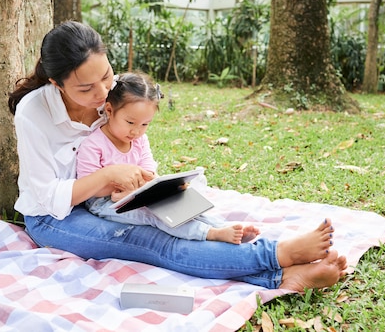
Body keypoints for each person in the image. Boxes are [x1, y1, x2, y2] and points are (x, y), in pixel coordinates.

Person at [8, 20, 348, 291]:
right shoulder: (33, 113)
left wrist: (148, 186)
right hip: (56, 218)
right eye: (86, 89)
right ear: (56, 83)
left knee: (181, 218)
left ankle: (283, 278)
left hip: (117, 200)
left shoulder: (112, 99)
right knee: (153, 241)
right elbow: (45, 196)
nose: (101, 94)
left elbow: (135, 137)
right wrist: (107, 177)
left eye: (107, 76)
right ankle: (278, 256)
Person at [76, 71, 259, 244]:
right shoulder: (93, 144)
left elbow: (148, 171)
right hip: (104, 202)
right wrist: (122, 192)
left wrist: (144, 189)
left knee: (180, 202)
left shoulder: (139, 141)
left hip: (136, 194)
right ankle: (210, 233)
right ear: (109, 110)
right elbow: (89, 187)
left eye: (145, 124)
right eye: (130, 122)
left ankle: (221, 225)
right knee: (155, 214)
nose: (136, 131)